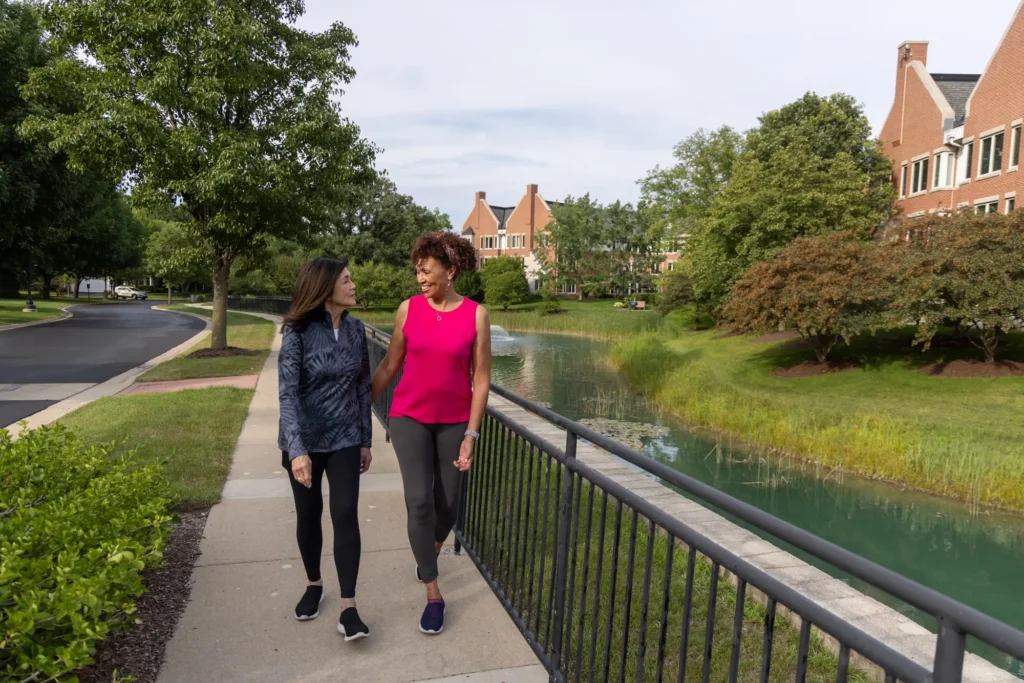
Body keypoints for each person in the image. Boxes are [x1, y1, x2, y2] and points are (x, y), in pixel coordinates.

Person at [371, 232, 491, 636]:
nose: (420, 278)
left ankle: (429, 550)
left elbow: (482, 378)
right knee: (419, 502)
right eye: (417, 271)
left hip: (456, 420)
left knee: (449, 505)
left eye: (427, 270)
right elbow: (389, 367)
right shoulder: (408, 310)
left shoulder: (476, 314)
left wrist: (471, 434)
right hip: (409, 417)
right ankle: (433, 592)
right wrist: (358, 409)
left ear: (451, 271)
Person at [278, 256, 372, 642]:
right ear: (327, 287)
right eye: (347, 280)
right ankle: (314, 584)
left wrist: (365, 438)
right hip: (305, 440)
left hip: (346, 437)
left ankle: (349, 607)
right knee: (309, 513)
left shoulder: (356, 330)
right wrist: (297, 449)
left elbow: (363, 386)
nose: (353, 286)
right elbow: (287, 393)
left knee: (346, 513)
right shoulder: (297, 331)